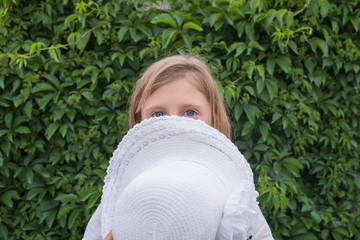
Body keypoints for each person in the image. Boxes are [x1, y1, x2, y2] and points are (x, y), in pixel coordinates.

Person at [83, 55, 273, 240]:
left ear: (213, 119)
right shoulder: (120, 200)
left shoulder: (235, 200)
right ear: (139, 121)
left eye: (190, 112)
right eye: (158, 114)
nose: (174, 123)